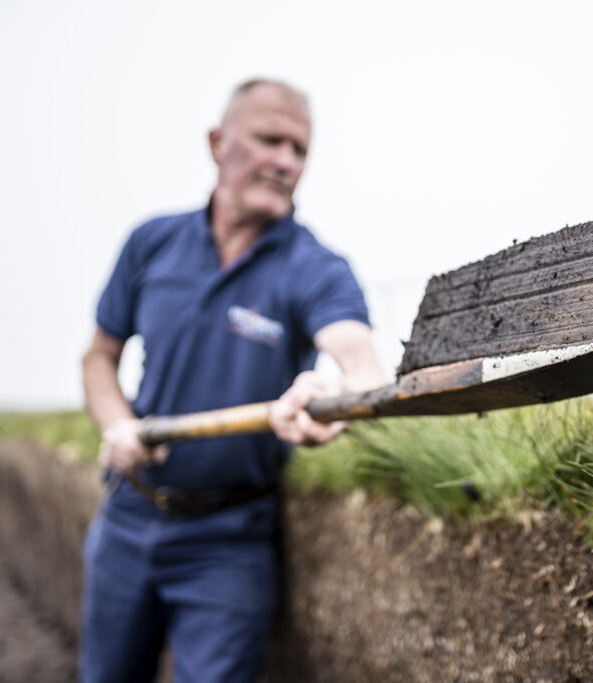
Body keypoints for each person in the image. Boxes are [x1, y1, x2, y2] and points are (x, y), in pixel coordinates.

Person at [80, 78, 385, 683]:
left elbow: (361, 365)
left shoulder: (315, 268)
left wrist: (332, 395)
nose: (285, 161)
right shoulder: (153, 243)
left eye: (299, 149)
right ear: (219, 143)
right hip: (127, 515)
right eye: (270, 140)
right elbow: (98, 356)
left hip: (229, 540)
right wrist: (117, 425)